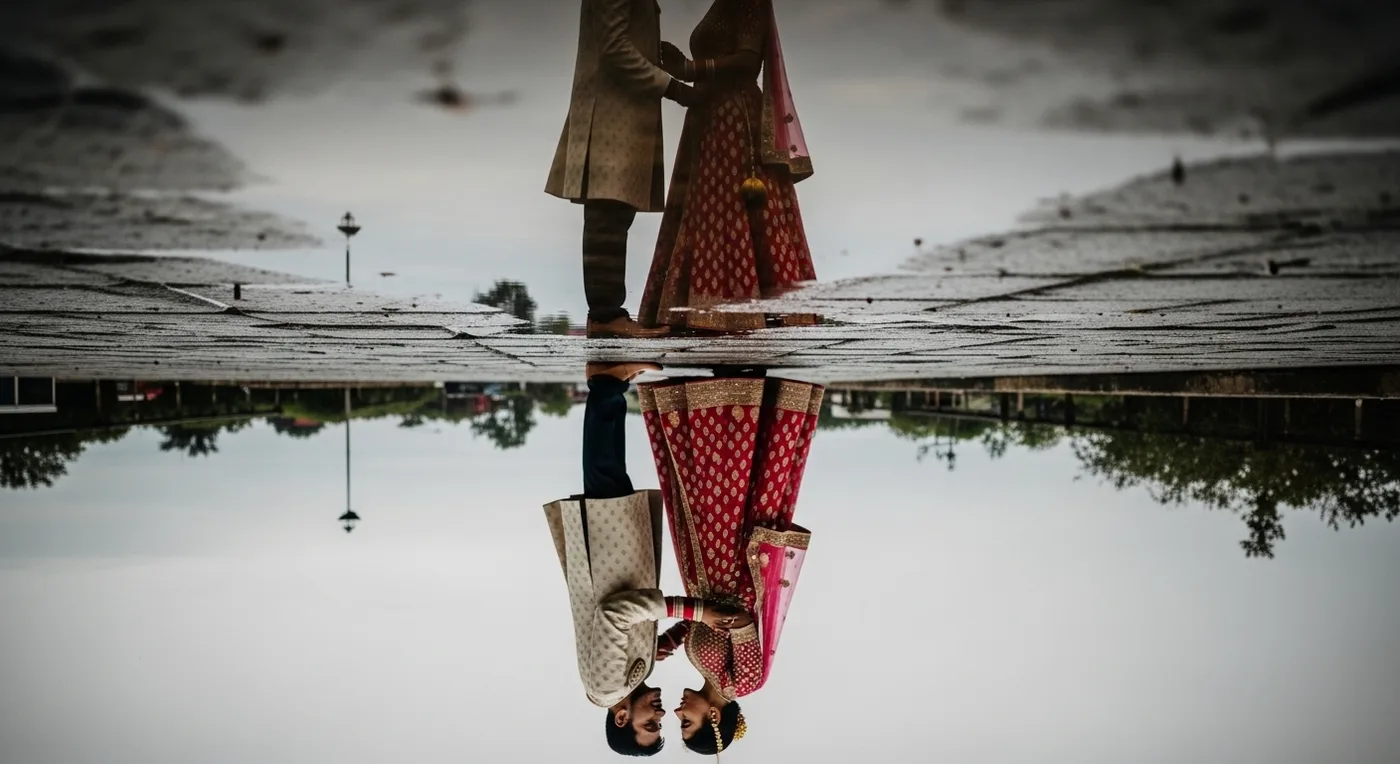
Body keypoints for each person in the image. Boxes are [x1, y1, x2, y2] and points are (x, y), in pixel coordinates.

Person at [545, 363, 750, 756]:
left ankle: (606, 381)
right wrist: (670, 639)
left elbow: (612, 615)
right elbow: (631, 634)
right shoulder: (629, 683)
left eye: (650, 724)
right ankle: (610, 384)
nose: (661, 714)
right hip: (619, 559)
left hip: (606, 559)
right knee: (609, 475)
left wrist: (696, 612)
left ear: (622, 718)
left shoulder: (607, 689)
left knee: (604, 474)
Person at [637, 373, 822, 751]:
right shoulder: (746, 683)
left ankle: (718, 404)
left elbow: (707, 630)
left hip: (706, 570)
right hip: (731, 569)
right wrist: (694, 611)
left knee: (703, 489)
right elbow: (738, 623)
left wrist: (670, 640)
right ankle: (742, 403)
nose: (676, 714)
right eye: (688, 723)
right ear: (714, 717)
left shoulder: (709, 674)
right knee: (730, 489)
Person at [639, 0, 818, 332]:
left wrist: (691, 69)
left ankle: (734, 312)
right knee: (708, 210)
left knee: (730, 211)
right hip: (709, 115)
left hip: (734, 119)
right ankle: (702, 309)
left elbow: (748, 61)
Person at [545, 0, 699, 339]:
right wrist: (674, 89)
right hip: (611, 113)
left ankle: (608, 315)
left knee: (613, 214)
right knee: (607, 214)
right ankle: (606, 316)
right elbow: (613, 47)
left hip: (620, 112)